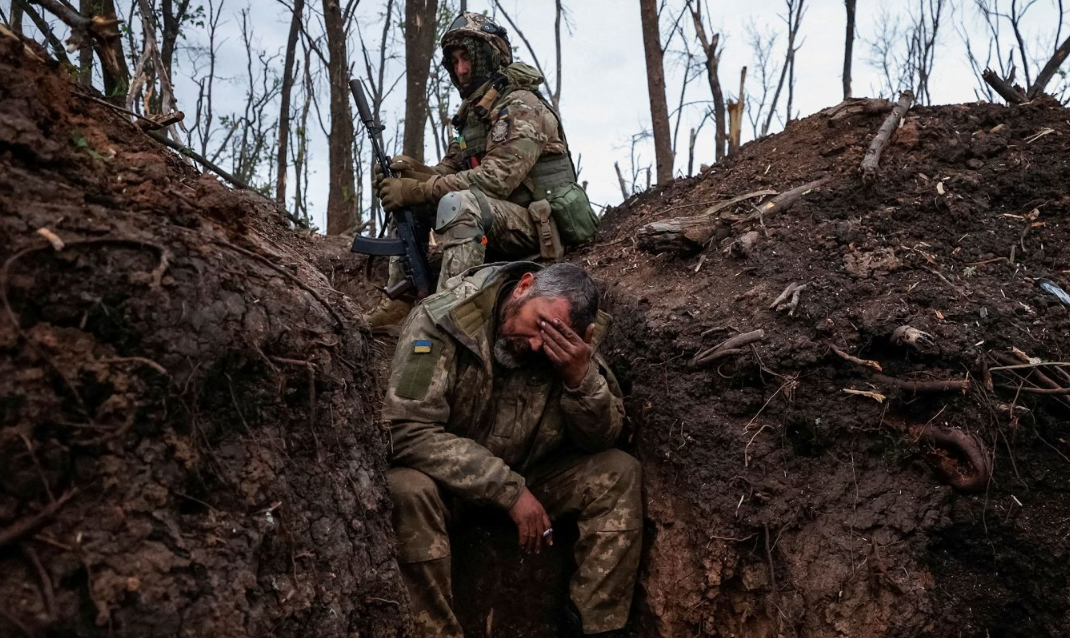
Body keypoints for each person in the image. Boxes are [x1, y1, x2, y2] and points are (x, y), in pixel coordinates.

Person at [382, 261, 641, 638]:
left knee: (619, 471)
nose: (536, 345)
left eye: (551, 339)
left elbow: (604, 441)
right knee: (405, 489)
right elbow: (405, 428)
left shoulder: (573, 349)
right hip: (449, 486)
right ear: (523, 286)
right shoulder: (443, 321)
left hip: (534, 475)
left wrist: (580, 380)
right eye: (539, 325)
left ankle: (596, 628)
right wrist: (508, 490)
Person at [368, 12, 599, 330]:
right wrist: (410, 175)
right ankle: (401, 301)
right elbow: (449, 169)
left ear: (490, 57)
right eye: (455, 61)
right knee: (413, 200)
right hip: (498, 220)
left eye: (467, 58)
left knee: (460, 204)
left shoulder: (521, 106)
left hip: (539, 227)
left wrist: (418, 188)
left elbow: (494, 180)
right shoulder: (474, 115)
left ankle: (448, 319)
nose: (461, 70)